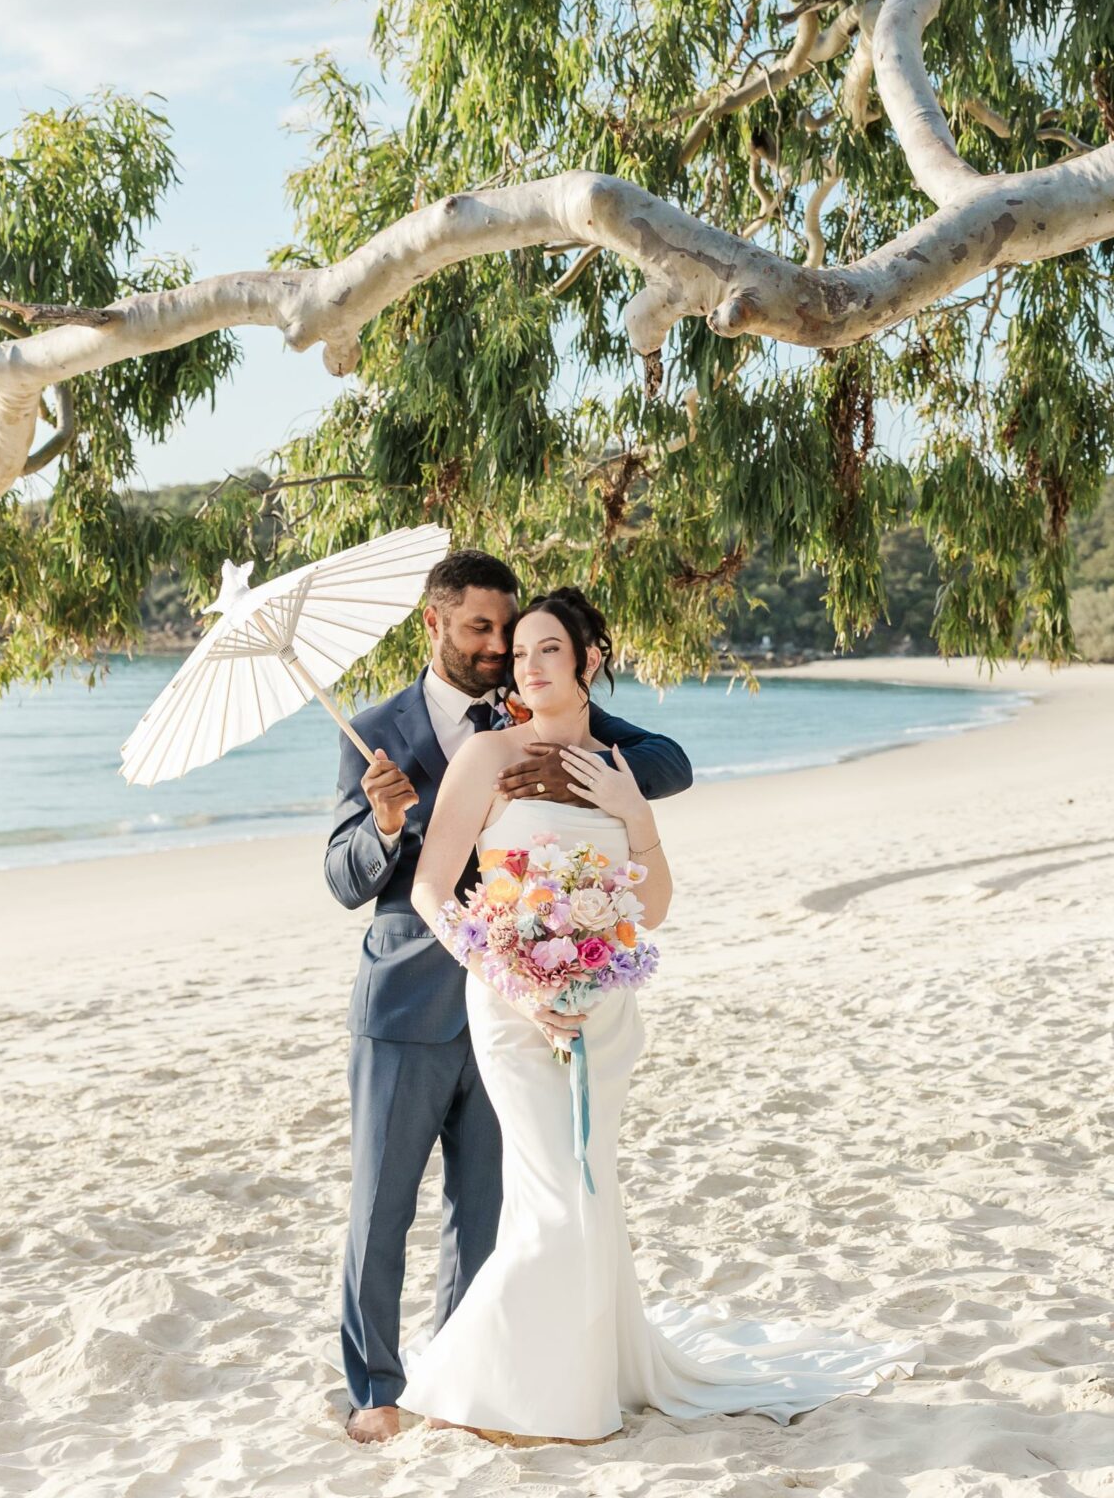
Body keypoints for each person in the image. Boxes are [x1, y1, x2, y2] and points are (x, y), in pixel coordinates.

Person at [397, 585, 920, 1445]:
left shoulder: (618, 763)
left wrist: (629, 811)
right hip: (512, 1007)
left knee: (589, 1194)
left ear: (589, 660)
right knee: (555, 1200)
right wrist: (517, 979)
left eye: (547, 651)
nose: (526, 666)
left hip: (604, 1010)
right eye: (519, 654)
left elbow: (657, 902)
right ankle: (492, 1390)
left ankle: (576, 1375)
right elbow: (431, 888)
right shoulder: (486, 760)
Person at [324, 551, 694, 1446]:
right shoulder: (373, 729)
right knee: (381, 1204)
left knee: (493, 1207)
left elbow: (666, 761)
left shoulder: (541, 718)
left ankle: (466, 1371)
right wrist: (384, 826)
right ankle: (376, 1385)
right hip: (413, 999)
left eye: (514, 634)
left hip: (549, 1001)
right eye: (482, 631)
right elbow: (344, 879)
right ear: (435, 626)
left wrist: (580, 776)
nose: (501, 651)